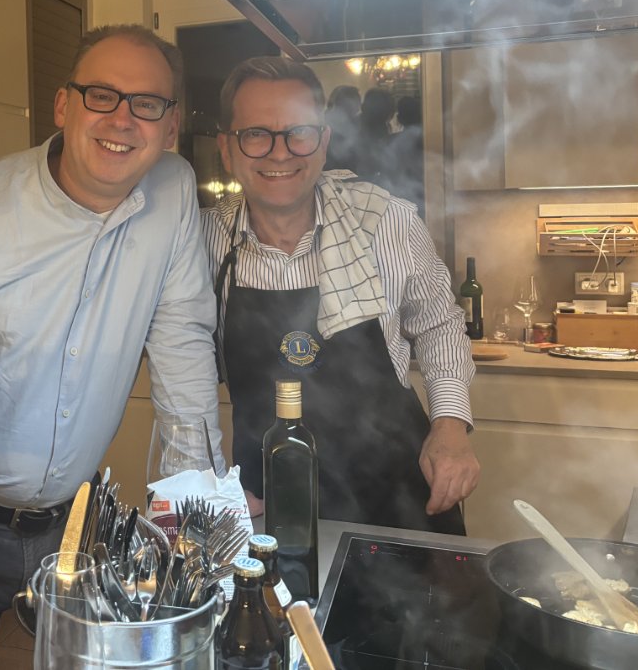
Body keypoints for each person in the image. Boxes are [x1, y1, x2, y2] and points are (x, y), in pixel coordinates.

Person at [0, 24, 225, 669]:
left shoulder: (173, 190)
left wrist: (193, 503)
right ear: (64, 106)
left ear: (171, 125)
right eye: (102, 95)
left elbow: (182, 339)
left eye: (147, 103)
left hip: (75, 533)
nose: (122, 119)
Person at [203, 55, 479, 535]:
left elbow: (439, 323)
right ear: (226, 149)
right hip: (269, 503)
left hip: (398, 498)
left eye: (299, 133)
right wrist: (203, 477)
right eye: (256, 134)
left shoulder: (385, 221)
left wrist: (450, 426)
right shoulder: (203, 241)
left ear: (324, 142)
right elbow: (183, 364)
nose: (280, 153)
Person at [324, 84, 361, 173]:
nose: (358, 108)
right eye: (357, 102)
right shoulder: (327, 123)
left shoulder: (354, 123)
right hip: (332, 172)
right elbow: (338, 153)